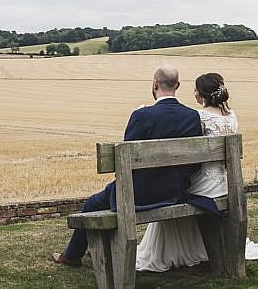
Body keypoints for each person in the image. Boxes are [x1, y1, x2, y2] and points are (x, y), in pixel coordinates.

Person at [52, 65, 203, 266]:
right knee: (102, 200)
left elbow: (127, 163)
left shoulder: (142, 115)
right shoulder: (192, 116)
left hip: (140, 194)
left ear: (154, 84)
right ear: (178, 85)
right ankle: (90, 251)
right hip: (176, 190)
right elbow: (195, 163)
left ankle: (71, 256)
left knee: (91, 205)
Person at [135, 72, 258, 272]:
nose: (194, 94)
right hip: (225, 183)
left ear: (202, 94)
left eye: (195, 90)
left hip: (204, 186)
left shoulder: (198, 117)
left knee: (173, 190)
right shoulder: (232, 117)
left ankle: (170, 251)